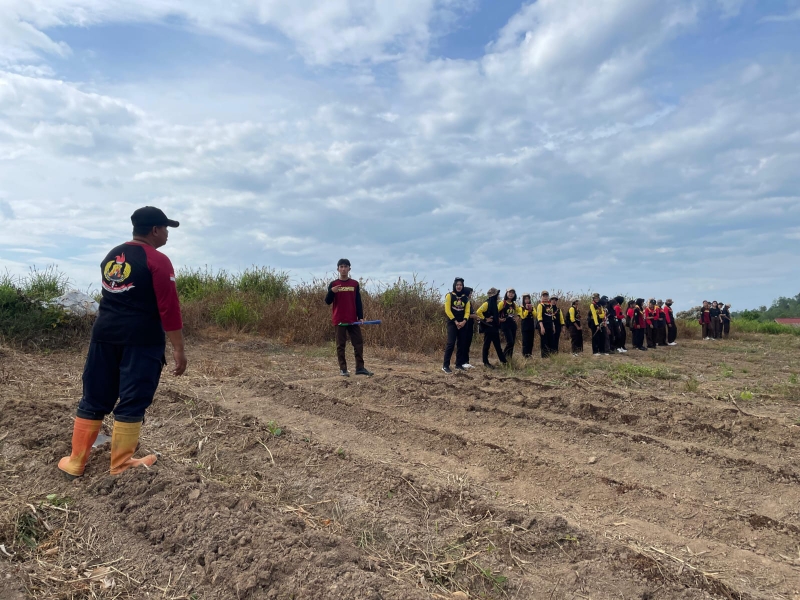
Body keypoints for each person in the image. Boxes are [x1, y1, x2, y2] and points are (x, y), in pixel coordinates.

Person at [58, 206, 188, 480]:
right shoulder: (158, 260)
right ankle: (120, 464)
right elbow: (169, 308)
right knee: (133, 398)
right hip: (140, 341)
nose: (167, 234)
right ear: (154, 230)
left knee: (94, 396)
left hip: (104, 336)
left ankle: (75, 461)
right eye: (165, 229)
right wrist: (178, 348)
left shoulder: (110, 257)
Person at [325, 259, 373, 377]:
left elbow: (358, 301)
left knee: (358, 343)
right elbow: (327, 301)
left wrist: (360, 317)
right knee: (340, 345)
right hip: (339, 319)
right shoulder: (333, 284)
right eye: (341, 267)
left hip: (353, 320)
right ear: (338, 269)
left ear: (349, 269)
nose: (343, 269)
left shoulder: (354, 284)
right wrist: (332, 292)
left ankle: (360, 368)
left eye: (345, 267)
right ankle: (343, 369)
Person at [442, 278, 471, 373]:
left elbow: (467, 311)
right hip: (452, 323)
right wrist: (455, 321)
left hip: (463, 323)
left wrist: (464, 321)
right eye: (457, 285)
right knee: (451, 343)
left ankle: (458, 364)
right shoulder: (449, 296)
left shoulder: (466, 298)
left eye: (461, 285)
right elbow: (447, 310)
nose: (459, 286)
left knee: (461, 344)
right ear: (455, 285)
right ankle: (445, 365)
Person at [476, 288, 507, 368]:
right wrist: (485, 319)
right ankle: (486, 362)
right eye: (497, 294)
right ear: (494, 295)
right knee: (487, 345)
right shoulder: (487, 303)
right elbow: (478, 311)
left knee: (498, 346)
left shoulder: (494, 304)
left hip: (494, 328)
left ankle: (504, 362)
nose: (498, 296)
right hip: (488, 328)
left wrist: (498, 320)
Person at [499, 289, 522, 361]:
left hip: (512, 324)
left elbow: (520, 311)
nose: (511, 294)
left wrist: (518, 316)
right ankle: (503, 357)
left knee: (512, 343)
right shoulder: (503, 303)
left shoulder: (514, 304)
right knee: (510, 342)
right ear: (506, 293)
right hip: (505, 324)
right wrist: (499, 319)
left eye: (513, 293)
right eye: (509, 292)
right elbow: (495, 311)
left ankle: (509, 359)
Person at [536, 291, 556, 358]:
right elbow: (539, 316)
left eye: (546, 296)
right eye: (544, 296)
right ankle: (544, 357)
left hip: (550, 325)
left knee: (551, 340)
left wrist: (553, 326)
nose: (545, 297)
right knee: (544, 341)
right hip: (543, 325)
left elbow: (551, 316)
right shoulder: (540, 305)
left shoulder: (550, 306)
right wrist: (541, 327)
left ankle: (550, 356)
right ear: (541, 297)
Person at [520, 293, 537, 358]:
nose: (527, 300)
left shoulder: (532, 307)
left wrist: (531, 310)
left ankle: (530, 354)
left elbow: (535, 315)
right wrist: (527, 310)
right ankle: (525, 354)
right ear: (523, 300)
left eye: (528, 299)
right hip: (525, 326)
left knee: (531, 341)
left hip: (531, 325)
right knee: (525, 340)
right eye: (525, 299)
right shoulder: (521, 307)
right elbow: (523, 316)